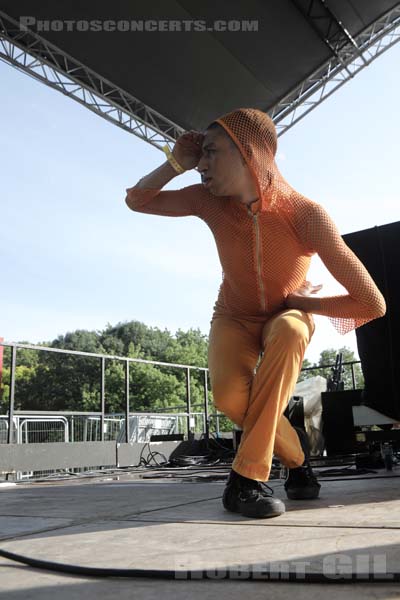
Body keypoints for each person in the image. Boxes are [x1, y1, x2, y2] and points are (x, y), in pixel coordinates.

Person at [125, 107, 386, 519]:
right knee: (230, 399)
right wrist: (175, 161)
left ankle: (245, 480)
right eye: (199, 156)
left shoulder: (306, 214)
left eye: (210, 152)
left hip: (288, 314)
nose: (201, 165)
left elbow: (372, 302)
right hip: (233, 316)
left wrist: (305, 305)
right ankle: (297, 458)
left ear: (248, 152)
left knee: (289, 329)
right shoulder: (208, 202)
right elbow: (137, 200)